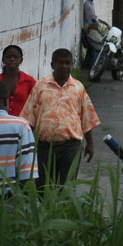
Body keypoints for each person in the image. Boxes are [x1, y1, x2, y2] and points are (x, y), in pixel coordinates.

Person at [21, 48, 100, 190]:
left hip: (70, 146)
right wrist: (23, 145)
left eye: (67, 63)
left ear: (71, 65)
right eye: (60, 63)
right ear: (52, 65)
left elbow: (87, 117)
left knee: (67, 187)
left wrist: (90, 144)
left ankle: (65, 211)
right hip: (44, 146)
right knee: (42, 186)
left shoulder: (78, 88)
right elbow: (29, 118)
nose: (64, 66)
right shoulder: (40, 86)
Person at [0, 44, 36, 117]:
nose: (12, 59)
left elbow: (35, 104)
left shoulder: (29, 81)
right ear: (3, 60)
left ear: (21, 60)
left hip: (23, 124)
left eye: (15, 57)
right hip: (1, 123)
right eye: (9, 57)